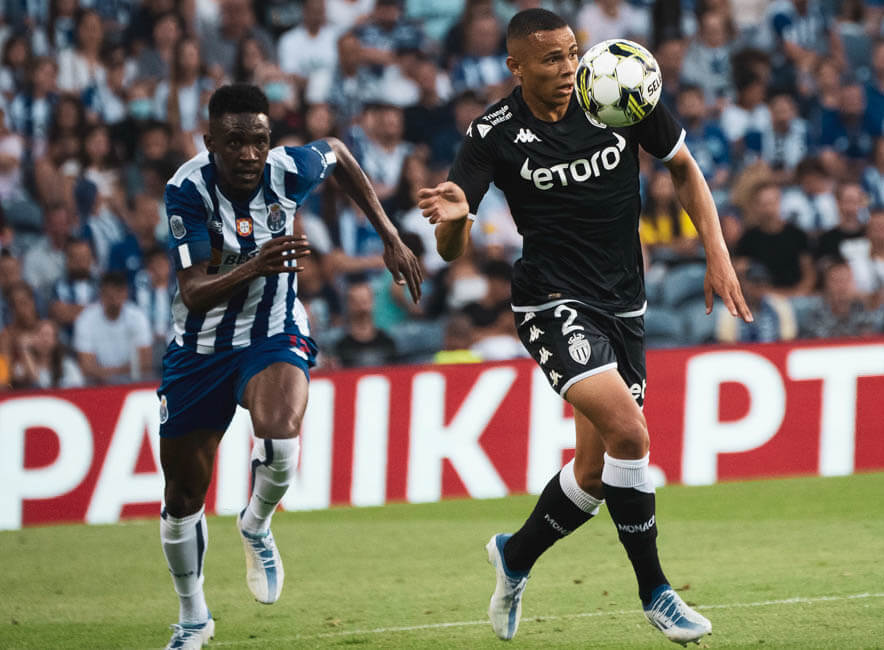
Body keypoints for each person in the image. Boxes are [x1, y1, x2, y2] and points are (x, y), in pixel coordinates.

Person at [416, 9, 750, 645]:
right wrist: (456, 221)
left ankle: (513, 555)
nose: (569, 67)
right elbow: (451, 248)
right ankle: (656, 592)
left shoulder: (615, 89)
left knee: (594, 477)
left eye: (571, 53)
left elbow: (683, 167)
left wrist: (717, 253)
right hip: (551, 302)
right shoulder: (492, 133)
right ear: (516, 67)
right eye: (551, 59)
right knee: (631, 433)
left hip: (624, 303)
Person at [156, 84, 422, 649]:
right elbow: (194, 291)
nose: (249, 154)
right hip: (199, 350)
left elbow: (339, 153)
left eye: (259, 140)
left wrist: (389, 234)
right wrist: (254, 266)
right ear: (210, 142)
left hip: (272, 332)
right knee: (181, 498)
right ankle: (193, 617)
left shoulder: (288, 169)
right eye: (234, 142)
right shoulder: (187, 189)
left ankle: (255, 522)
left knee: (279, 436)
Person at [73, 270, 153, 384]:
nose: (114, 300)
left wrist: (107, 373)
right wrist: (122, 371)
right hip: (97, 385)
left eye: (118, 293)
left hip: (132, 383)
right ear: (101, 294)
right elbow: (86, 367)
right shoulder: (86, 319)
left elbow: (145, 363)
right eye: (109, 295)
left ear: (126, 293)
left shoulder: (138, 317)